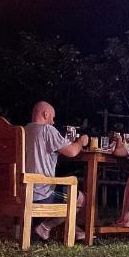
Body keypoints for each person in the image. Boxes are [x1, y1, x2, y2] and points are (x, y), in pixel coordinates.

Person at [24, 100, 88, 242]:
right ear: (45, 114)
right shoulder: (47, 130)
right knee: (81, 199)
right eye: (52, 117)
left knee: (65, 191)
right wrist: (81, 142)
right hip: (41, 193)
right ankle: (45, 227)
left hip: (21, 190)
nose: (53, 122)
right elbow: (71, 152)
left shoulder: (24, 130)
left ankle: (76, 231)